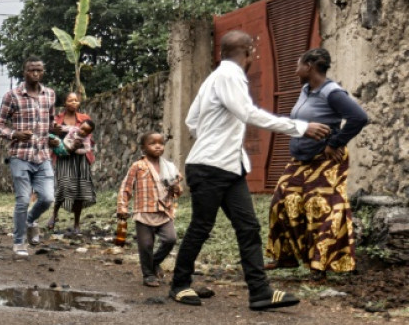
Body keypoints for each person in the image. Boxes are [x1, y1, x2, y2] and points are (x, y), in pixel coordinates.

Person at [170, 30, 330, 310]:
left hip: (230, 167)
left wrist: (212, 136)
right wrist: (301, 127)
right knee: (201, 226)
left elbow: (191, 120)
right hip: (210, 167)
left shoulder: (213, 78)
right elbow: (248, 113)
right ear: (249, 51)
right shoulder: (229, 76)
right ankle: (179, 284)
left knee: (248, 227)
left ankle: (260, 292)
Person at [266, 48, 369, 282]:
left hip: (325, 159)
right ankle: (285, 257)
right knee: (281, 200)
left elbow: (359, 118)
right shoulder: (306, 90)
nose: (295, 71)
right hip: (301, 158)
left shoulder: (332, 92)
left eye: (298, 66)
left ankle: (320, 266)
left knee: (319, 207)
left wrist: (335, 143)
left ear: (309, 66)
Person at [0, 56, 56, 257]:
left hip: (43, 155)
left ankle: (30, 220)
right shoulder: (12, 96)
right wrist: (15, 134)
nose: (35, 73)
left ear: (43, 72)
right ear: (25, 72)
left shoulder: (50, 95)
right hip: (20, 156)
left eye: (39, 70)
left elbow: (51, 123)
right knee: (22, 199)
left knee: (47, 198)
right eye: (31, 70)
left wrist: (55, 136)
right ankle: (19, 242)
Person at [117, 133, 182, 287]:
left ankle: (154, 262)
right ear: (143, 148)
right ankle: (148, 275)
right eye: (152, 143)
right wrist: (122, 206)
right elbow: (126, 187)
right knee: (146, 245)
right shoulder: (138, 166)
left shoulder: (169, 167)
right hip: (144, 212)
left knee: (170, 239)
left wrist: (176, 187)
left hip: (164, 211)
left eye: (161, 143)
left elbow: (178, 191)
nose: (158, 146)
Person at [48, 93, 97, 236]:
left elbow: (89, 140)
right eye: (70, 100)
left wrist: (79, 146)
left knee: (80, 190)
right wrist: (54, 132)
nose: (74, 102)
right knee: (63, 185)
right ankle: (54, 214)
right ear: (65, 103)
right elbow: (49, 135)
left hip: (80, 159)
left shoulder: (85, 118)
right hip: (64, 156)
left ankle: (76, 223)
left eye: (76, 100)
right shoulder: (58, 119)